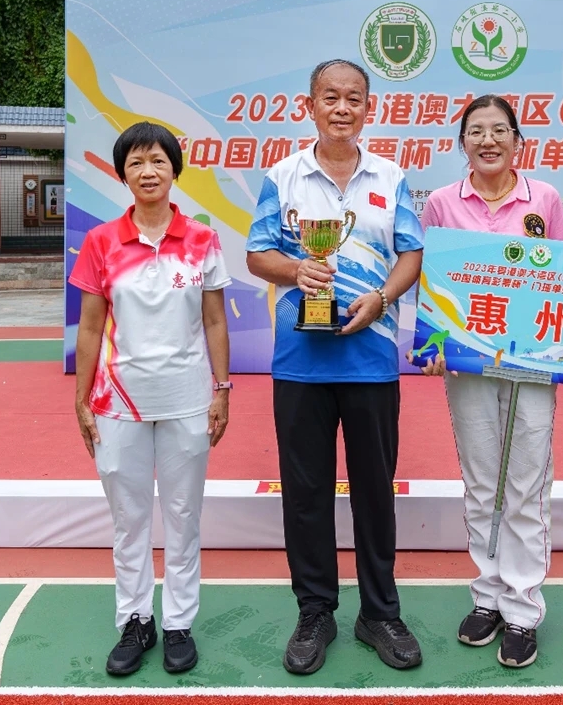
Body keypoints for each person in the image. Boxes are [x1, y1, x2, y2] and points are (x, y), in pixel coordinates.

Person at [245, 59, 424, 675]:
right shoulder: (282, 176)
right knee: (306, 495)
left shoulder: (392, 177)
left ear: (368, 109)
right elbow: (257, 254)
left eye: (353, 99)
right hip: (300, 363)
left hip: (371, 361)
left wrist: (383, 298)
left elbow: (411, 254)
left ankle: (380, 613)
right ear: (311, 106)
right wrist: (297, 268)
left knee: (375, 493)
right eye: (330, 97)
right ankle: (315, 611)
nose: (342, 108)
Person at [412, 94, 563, 668]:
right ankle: (488, 595)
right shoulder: (441, 202)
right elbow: (431, 280)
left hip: (531, 362)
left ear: (518, 141)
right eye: (476, 131)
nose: (488, 140)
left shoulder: (544, 199)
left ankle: (523, 607)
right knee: (482, 483)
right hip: (470, 363)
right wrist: (432, 344)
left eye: (499, 130)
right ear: (462, 143)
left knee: (526, 484)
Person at [71, 121, 232, 676]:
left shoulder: (203, 239)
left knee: (184, 517)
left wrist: (222, 390)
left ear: (174, 170)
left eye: (158, 161)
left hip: (188, 398)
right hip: (118, 402)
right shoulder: (101, 242)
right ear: (123, 174)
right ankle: (135, 620)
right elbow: (90, 328)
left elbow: (215, 321)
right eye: (136, 163)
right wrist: (81, 400)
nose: (148, 172)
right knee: (129, 518)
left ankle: (178, 623)